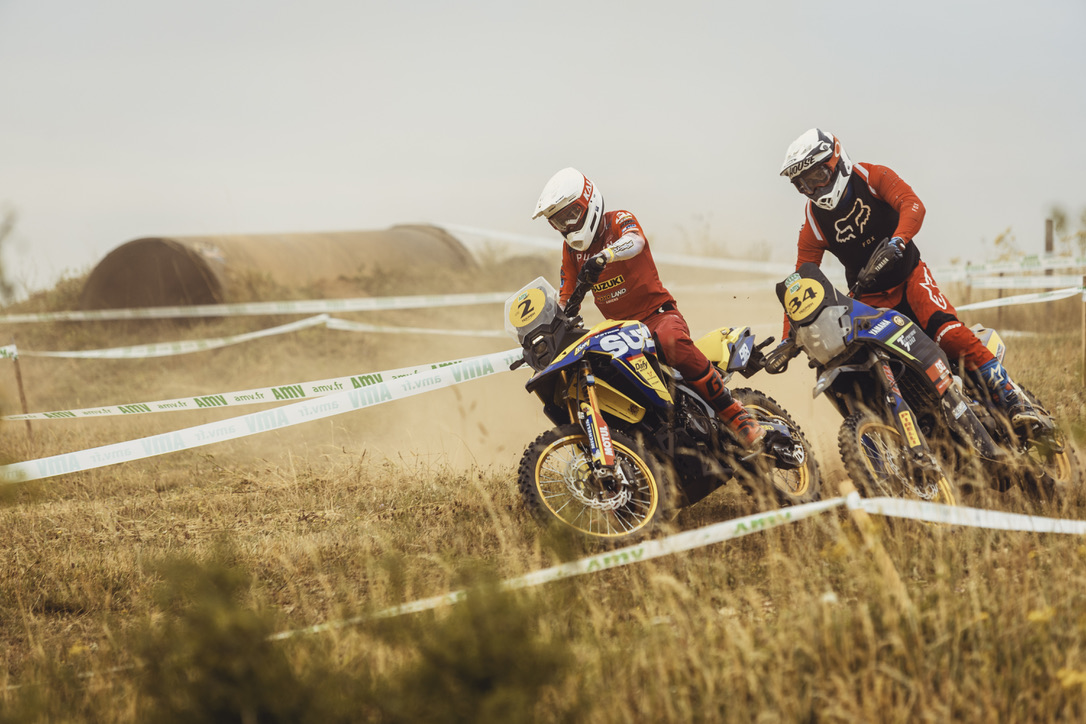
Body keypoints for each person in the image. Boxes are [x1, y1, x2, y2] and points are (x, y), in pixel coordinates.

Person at [769, 127, 1038, 430]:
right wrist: (787, 337)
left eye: (818, 176)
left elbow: (912, 204)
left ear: (837, 162)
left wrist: (898, 240)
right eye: (803, 184)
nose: (814, 189)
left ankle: (1014, 399)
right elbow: (802, 283)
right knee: (859, 361)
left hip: (910, 278)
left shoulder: (871, 177)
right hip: (868, 298)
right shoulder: (814, 223)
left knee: (948, 334)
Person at [531, 166, 765, 449]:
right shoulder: (571, 251)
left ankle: (736, 415)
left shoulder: (617, 220)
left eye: (571, 214)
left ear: (589, 203)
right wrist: (546, 328)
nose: (567, 225)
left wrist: (605, 256)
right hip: (621, 332)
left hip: (658, 317)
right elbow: (566, 297)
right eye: (559, 221)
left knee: (670, 340)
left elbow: (636, 241)